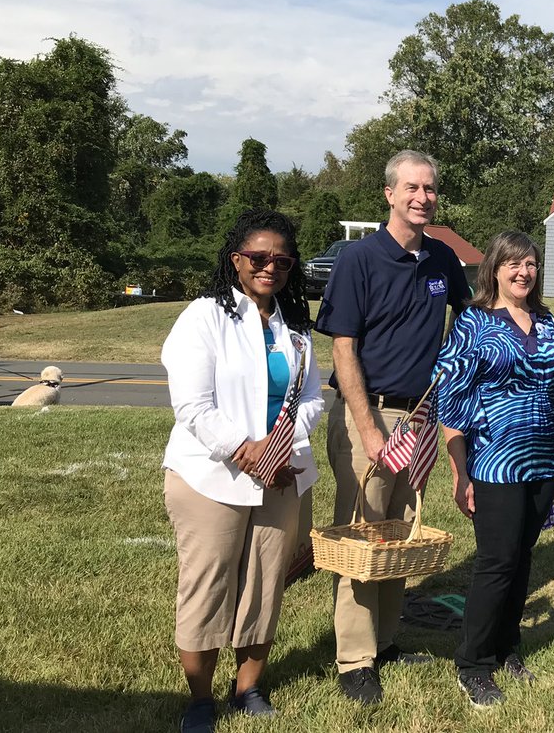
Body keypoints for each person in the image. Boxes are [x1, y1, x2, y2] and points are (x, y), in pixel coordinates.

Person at [314, 150, 470, 705]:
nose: (422, 197)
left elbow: (472, 317)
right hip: (369, 414)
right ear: (389, 193)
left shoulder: (442, 260)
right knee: (361, 534)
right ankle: (354, 659)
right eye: (412, 188)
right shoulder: (359, 259)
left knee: (398, 533)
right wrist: (369, 427)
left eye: (429, 188)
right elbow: (343, 347)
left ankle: (383, 642)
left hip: (420, 415)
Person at [161, 209, 324, 733]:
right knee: (207, 585)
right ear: (236, 260)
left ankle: (248, 687)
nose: (269, 267)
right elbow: (191, 404)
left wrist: (278, 451)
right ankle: (200, 699)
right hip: (211, 478)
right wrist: (246, 449)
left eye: (281, 259)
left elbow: (315, 400)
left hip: (280, 477)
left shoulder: (294, 329)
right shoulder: (204, 317)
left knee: (265, 583)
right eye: (258, 257)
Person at [436, 231, 554, 708]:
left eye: (531, 264)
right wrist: (461, 470)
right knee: (496, 563)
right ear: (494, 268)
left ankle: (507, 647)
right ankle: (473, 664)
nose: (523, 272)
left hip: (542, 458)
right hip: (494, 458)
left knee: (522, 558)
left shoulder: (546, 320)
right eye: (513, 264)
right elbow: (450, 399)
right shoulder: (472, 322)